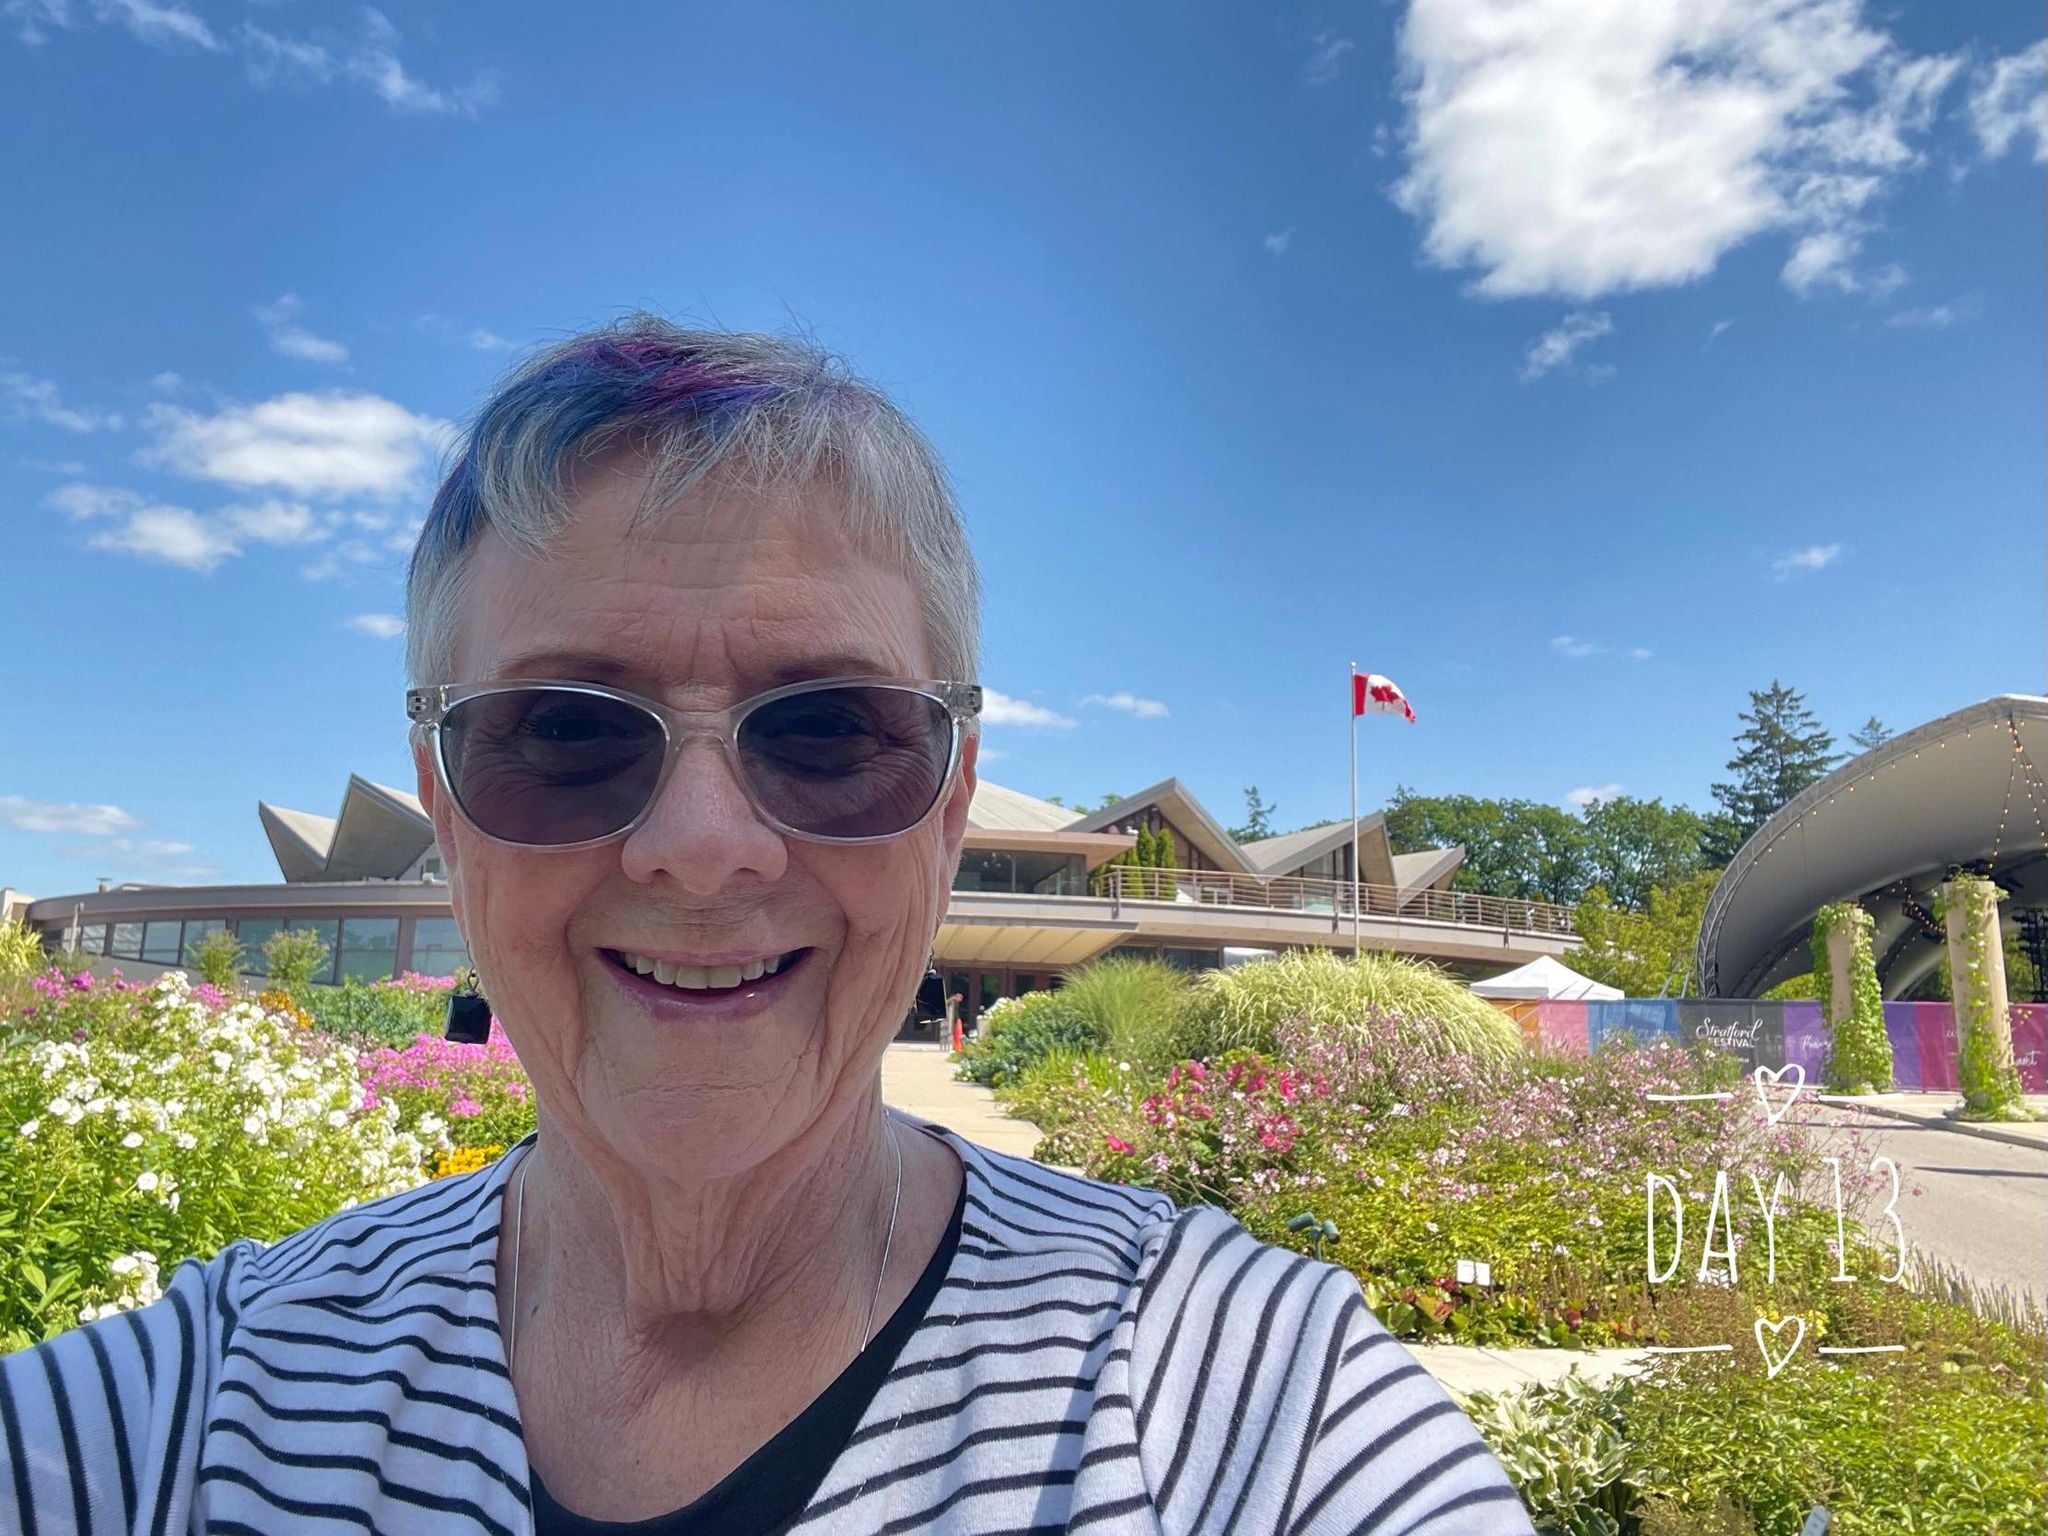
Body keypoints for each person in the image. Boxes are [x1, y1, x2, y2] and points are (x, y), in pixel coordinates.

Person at [0, 318, 1535, 1534]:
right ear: (444, 808)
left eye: (829, 730)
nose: (703, 848)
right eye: (565, 731)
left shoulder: (1252, 1409)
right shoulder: (185, 1413)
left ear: (951, 803)